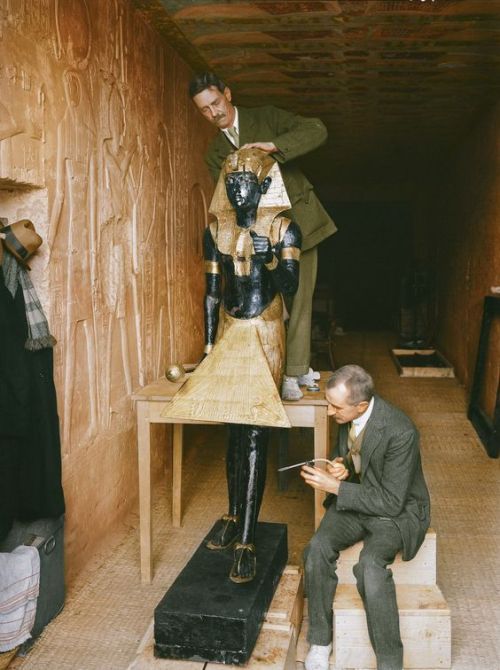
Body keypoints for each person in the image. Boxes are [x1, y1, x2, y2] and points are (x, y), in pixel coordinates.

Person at [163, 146, 301, 583]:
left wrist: (272, 256)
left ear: (264, 187)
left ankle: (246, 538)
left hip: (264, 328)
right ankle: (232, 511)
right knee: (231, 425)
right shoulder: (215, 231)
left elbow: (291, 286)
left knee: (255, 430)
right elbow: (210, 291)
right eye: (233, 183)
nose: (240, 191)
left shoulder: (283, 227)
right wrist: (207, 347)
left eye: (248, 184)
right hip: (228, 327)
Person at [189, 72, 337, 400]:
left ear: (228, 94)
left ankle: (295, 373)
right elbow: (228, 201)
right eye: (204, 110)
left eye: (216, 103)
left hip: (302, 224)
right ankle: (265, 370)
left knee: (299, 299)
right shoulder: (215, 153)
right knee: (263, 301)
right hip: (256, 237)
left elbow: (318, 130)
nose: (214, 113)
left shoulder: (266, 117)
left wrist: (274, 146)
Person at [300, 364, 430, 670]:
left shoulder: (401, 430)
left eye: (335, 407)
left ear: (361, 405)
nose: (330, 412)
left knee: (370, 567)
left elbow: (391, 502)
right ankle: (320, 641)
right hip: (359, 499)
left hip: (395, 512)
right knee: (316, 549)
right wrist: (341, 465)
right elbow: (350, 454)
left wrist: (335, 486)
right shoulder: (350, 414)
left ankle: (389, 662)